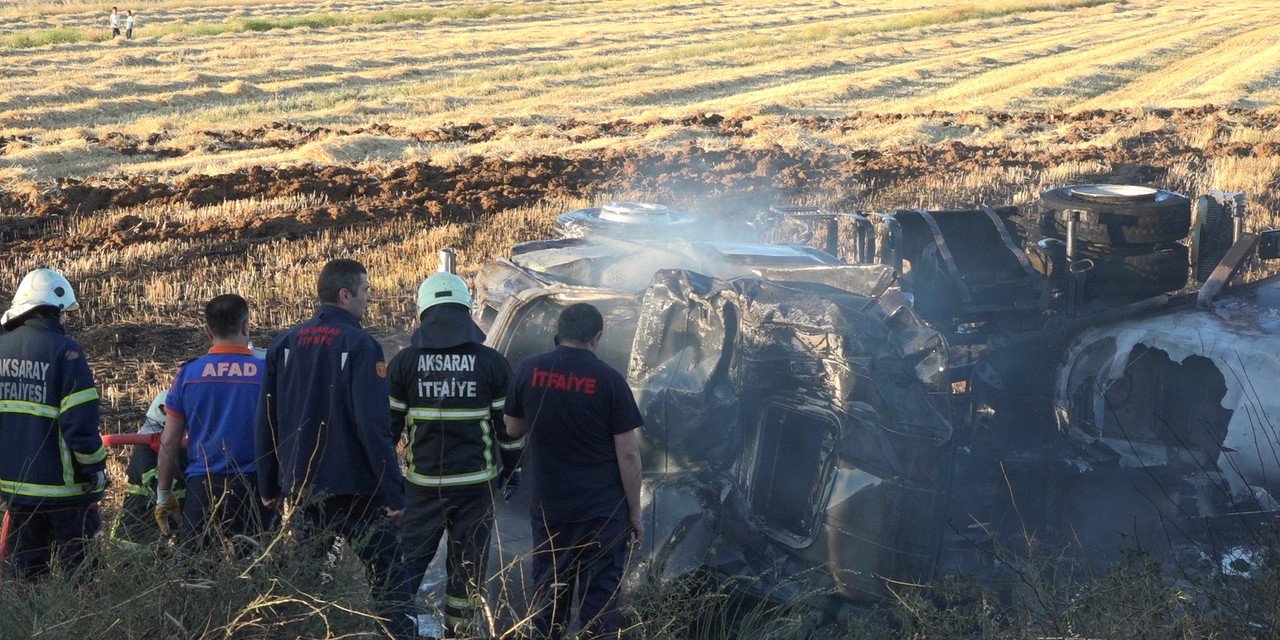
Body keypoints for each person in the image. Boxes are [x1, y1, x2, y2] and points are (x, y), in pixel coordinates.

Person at [254, 259, 415, 640]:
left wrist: (269, 485)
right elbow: (373, 427)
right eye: (365, 289)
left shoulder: (284, 343)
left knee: (306, 584)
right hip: (359, 490)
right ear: (345, 295)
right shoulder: (361, 345)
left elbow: (266, 418)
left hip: (304, 488)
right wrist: (394, 492)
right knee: (390, 579)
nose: (369, 297)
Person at [388, 273, 521, 638]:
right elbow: (506, 433)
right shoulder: (492, 364)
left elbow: (387, 432)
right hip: (477, 490)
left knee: (406, 570)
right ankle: (459, 635)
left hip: (423, 489)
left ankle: (396, 631)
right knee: (466, 573)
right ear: (465, 309)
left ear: (423, 312)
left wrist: (388, 486)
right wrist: (511, 471)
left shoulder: (404, 364)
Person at [504, 303, 644, 640]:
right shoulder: (610, 380)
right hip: (603, 515)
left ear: (559, 330)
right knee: (600, 606)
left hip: (551, 510)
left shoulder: (529, 370)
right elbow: (628, 454)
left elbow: (512, 429)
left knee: (549, 598)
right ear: (597, 337)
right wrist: (635, 512)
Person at [0, 269, 108, 579]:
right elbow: (80, 425)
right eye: (65, 314)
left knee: (28, 580)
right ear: (55, 310)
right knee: (84, 578)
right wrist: (96, 468)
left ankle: (32, 629)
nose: (67, 321)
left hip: (17, 491)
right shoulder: (66, 352)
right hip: (66, 493)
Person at [155, 294, 269, 550]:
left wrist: (163, 494)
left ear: (207, 331)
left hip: (203, 487)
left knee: (193, 575)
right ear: (245, 326)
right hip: (253, 487)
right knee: (258, 572)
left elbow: (170, 439)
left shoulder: (189, 374)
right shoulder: (266, 373)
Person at [109, 390, 187, 549]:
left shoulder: (179, 452)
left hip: (158, 539)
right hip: (134, 540)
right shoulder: (144, 451)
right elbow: (156, 485)